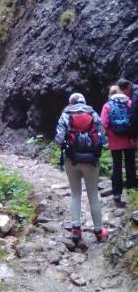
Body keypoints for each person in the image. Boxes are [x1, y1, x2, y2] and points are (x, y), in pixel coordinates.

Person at [55, 92, 108, 244]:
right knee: (93, 195)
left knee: (75, 194)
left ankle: (76, 229)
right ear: (84, 101)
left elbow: (59, 139)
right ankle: (98, 231)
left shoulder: (66, 114)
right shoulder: (93, 114)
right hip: (91, 160)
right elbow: (103, 137)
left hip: (71, 159)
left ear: (71, 102)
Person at [101, 85, 137, 204]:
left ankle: (117, 194)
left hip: (114, 140)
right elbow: (134, 119)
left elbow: (104, 123)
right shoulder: (129, 103)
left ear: (110, 94)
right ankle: (133, 192)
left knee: (117, 166)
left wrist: (109, 133)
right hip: (128, 139)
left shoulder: (107, 106)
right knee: (130, 166)